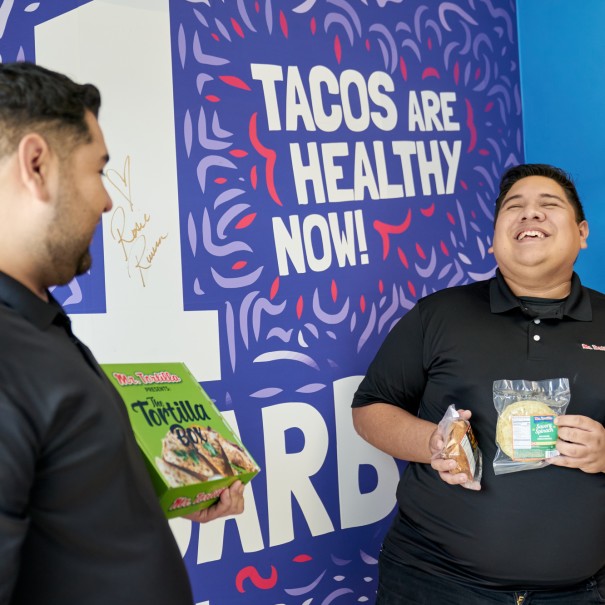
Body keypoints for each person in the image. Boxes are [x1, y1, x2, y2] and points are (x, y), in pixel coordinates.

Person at [0, 62, 245, 605]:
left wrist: (170, 495)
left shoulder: (39, 323)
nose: (108, 201)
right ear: (36, 165)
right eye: (98, 171)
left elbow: (61, 500)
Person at [352, 163, 605, 604]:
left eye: (548, 206)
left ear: (582, 232)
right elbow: (370, 408)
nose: (531, 215)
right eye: (515, 207)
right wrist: (432, 442)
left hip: (580, 593)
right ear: (493, 240)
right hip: (432, 583)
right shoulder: (439, 315)